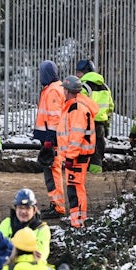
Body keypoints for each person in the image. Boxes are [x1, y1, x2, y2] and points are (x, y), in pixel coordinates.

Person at [58, 75, 98, 229]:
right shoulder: (75, 106)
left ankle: (78, 222)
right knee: (74, 187)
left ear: (69, 91)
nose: (63, 92)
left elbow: (76, 136)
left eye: (65, 90)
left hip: (76, 156)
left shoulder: (76, 108)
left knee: (75, 188)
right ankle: (77, 220)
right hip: (76, 155)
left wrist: (70, 156)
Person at [33, 60, 67, 220]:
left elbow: (54, 117)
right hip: (51, 138)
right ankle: (55, 204)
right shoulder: (54, 89)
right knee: (52, 171)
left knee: (53, 172)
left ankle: (58, 206)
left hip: (51, 140)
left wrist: (49, 140)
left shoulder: (53, 90)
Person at [76, 59, 115, 174]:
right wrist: (107, 125)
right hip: (101, 124)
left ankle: (85, 175)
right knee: (98, 151)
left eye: (79, 72)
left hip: (86, 124)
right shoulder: (105, 87)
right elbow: (110, 107)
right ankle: (96, 174)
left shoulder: (83, 87)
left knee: (85, 151)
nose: (77, 75)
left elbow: (79, 107)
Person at [0, 188, 51, 261]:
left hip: (33, 269)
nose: (23, 211)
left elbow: (41, 256)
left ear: (34, 210)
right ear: (15, 209)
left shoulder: (42, 229)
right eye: (20, 208)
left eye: (27, 208)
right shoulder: (7, 223)